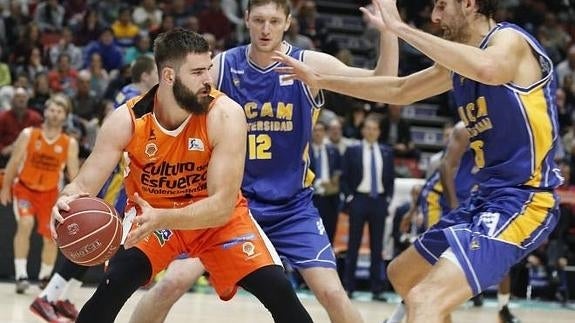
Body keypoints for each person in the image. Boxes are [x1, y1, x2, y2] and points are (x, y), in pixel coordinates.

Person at [274, 0, 561, 322]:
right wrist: (320, 80)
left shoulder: (509, 42)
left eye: (441, 7)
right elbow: (400, 89)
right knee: (403, 275)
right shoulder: (461, 62)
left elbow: (489, 70)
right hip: (485, 197)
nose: (435, 17)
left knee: (425, 299)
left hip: (525, 197)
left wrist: (400, 28)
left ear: (468, 4)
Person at [129, 1, 398, 322]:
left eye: (273, 20)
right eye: (258, 20)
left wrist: (389, 32)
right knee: (172, 282)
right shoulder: (224, 66)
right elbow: (168, 99)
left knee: (332, 293)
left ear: (288, 22)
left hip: (292, 206)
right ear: (246, 20)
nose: (265, 29)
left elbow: (384, 84)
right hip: (231, 206)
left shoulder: (309, 63)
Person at [50, 28, 313, 323]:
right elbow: (84, 184)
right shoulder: (127, 120)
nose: (208, 80)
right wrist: (65, 201)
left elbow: (222, 205)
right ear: (169, 76)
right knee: (113, 286)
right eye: (198, 72)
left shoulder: (225, 114)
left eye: (209, 69)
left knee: (280, 292)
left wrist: (165, 217)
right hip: (150, 219)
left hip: (215, 221)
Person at [28, 55, 160, 323]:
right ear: (146, 75)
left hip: (116, 170)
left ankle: (63, 297)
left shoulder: (133, 94)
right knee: (95, 234)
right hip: (115, 174)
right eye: (158, 72)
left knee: (102, 243)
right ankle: (47, 297)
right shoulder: (136, 97)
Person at [388, 122, 520, 323]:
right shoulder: (469, 129)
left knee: (497, 254)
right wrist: (451, 206)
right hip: (441, 199)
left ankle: (503, 307)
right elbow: (443, 168)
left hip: (470, 202)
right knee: (428, 264)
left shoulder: (505, 144)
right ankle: (397, 317)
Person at [0, 94, 79, 301]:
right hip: (25, 189)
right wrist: (5, 187)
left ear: (65, 116)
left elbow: (74, 175)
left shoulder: (69, 143)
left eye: (59, 111)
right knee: (25, 223)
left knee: (51, 237)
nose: (55, 114)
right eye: (52, 110)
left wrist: (77, 198)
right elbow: (14, 162)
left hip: (51, 193)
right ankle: (21, 275)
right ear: (45, 112)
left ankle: (45, 277)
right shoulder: (29, 134)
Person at [340, 117, 395, 300]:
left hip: (378, 200)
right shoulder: (352, 150)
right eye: (368, 128)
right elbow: (344, 177)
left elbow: (390, 179)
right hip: (359, 199)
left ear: (379, 132)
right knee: (353, 245)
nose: (371, 131)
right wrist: (350, 197)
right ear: (363, 131)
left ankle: (377, 289)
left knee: (377, 246)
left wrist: (387, 199)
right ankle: (348, 286)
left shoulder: (386, 151)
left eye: (375, 128)